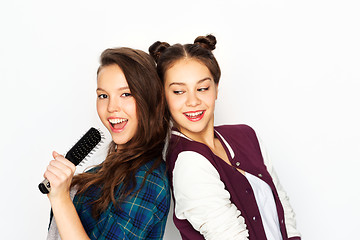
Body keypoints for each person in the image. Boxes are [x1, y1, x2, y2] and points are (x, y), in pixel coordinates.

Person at [149, 35, 301, 240]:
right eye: (178, 91)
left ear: (216, 89)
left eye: (202, 88)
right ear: (164, 97)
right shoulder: (188, 164)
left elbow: (284, 212)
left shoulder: (247, 136)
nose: (193, 101)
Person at [43, 47, 171, 240]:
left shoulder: (148, 181)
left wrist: (60, 199)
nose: (111, 107)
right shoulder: (105, 171)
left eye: (126, 94)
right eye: (103, 95)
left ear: (150, 98)